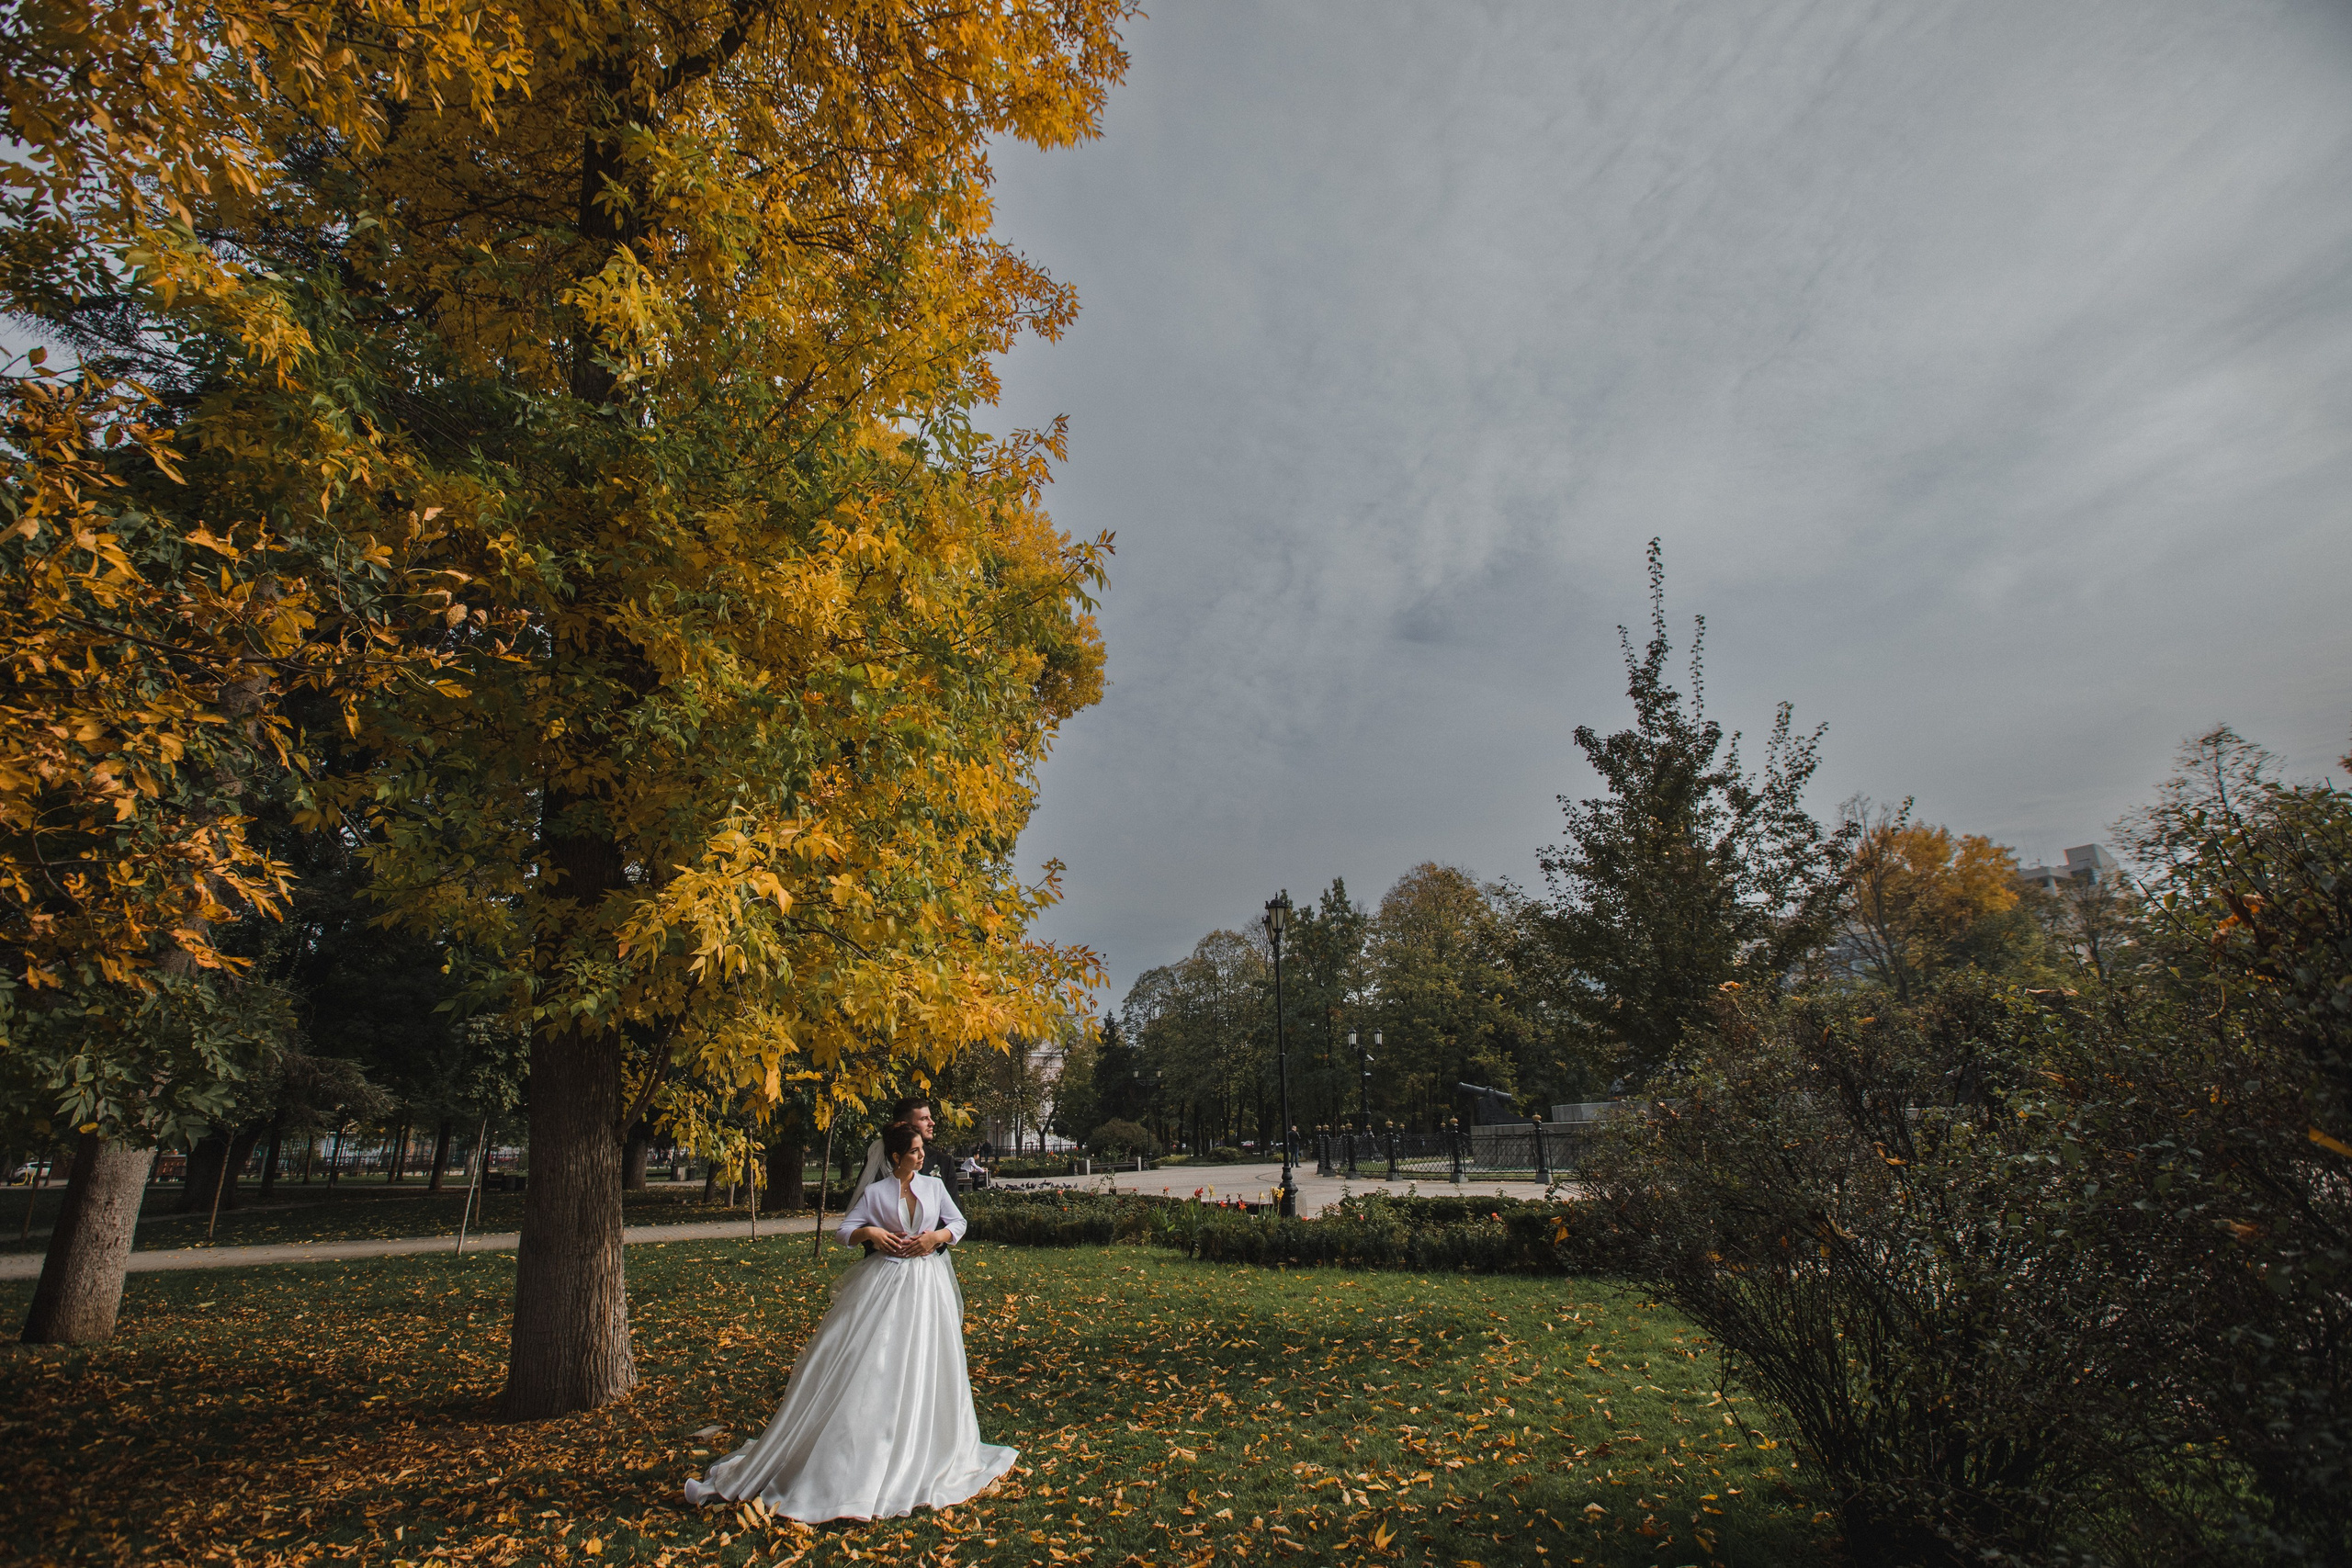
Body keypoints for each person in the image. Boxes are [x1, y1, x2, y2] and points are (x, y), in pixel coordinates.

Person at [684, 1122, 1014, 1520]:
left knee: (929, 1358)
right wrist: (871, 1232)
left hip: (927, 1284)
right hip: (884, 1283)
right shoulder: (876, 1193)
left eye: (920, 1149)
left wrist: (936, 1239)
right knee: (875, 1363)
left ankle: (928, 1444)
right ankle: (862, 1448)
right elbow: (844, 1232)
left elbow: (958, 1223)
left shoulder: (933, 1186)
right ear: (895, 1157)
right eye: (913, 1151)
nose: (921, 1155)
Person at [847, 1096, 948, 1203]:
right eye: (923, 1118)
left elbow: (954, 1214)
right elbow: (865, 1203)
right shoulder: (879, 1157)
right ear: (904, 1125)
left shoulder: (944, 1161)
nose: (932, 1123)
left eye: (930, 1117)